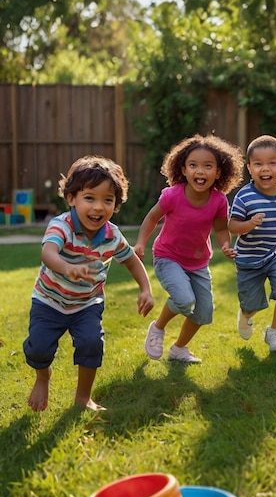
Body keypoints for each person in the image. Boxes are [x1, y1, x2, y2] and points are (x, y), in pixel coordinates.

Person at [24, 155, 154, 412]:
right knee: (38, 348)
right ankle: (43, 377)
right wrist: (67, 267)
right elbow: (48, 253)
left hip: (87, 304)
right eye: (90, 198)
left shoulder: (112, 235)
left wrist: (146, 289)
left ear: (116, 205)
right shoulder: (62, 226)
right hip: (49, 300)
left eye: (108, 200)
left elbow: (130, 260)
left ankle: (83, 397)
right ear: (72, 199)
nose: (98, 207)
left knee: (91, 344)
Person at [134, 134, 245, 363]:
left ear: (219, 172)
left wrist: (225, 245)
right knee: (184, 300)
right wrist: (140, 243)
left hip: (198, 263)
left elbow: (221, 228)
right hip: (168, 257)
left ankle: (178, 349)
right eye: (193, 165)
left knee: (203, 313)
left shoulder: (218, 201)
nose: (200, 171)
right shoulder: (172, 196)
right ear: (183, 170)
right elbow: (152, 218)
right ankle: (158, 327)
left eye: (208, 166)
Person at [228, 134, 276, 352]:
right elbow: (232, 225)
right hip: (249, 258)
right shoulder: (244, 197)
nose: (265, 169)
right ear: (249, 168)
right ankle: (246, 315)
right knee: (252, 305)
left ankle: (274, 333)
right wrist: (250, 224)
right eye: (258, 164)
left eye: (272, 163)